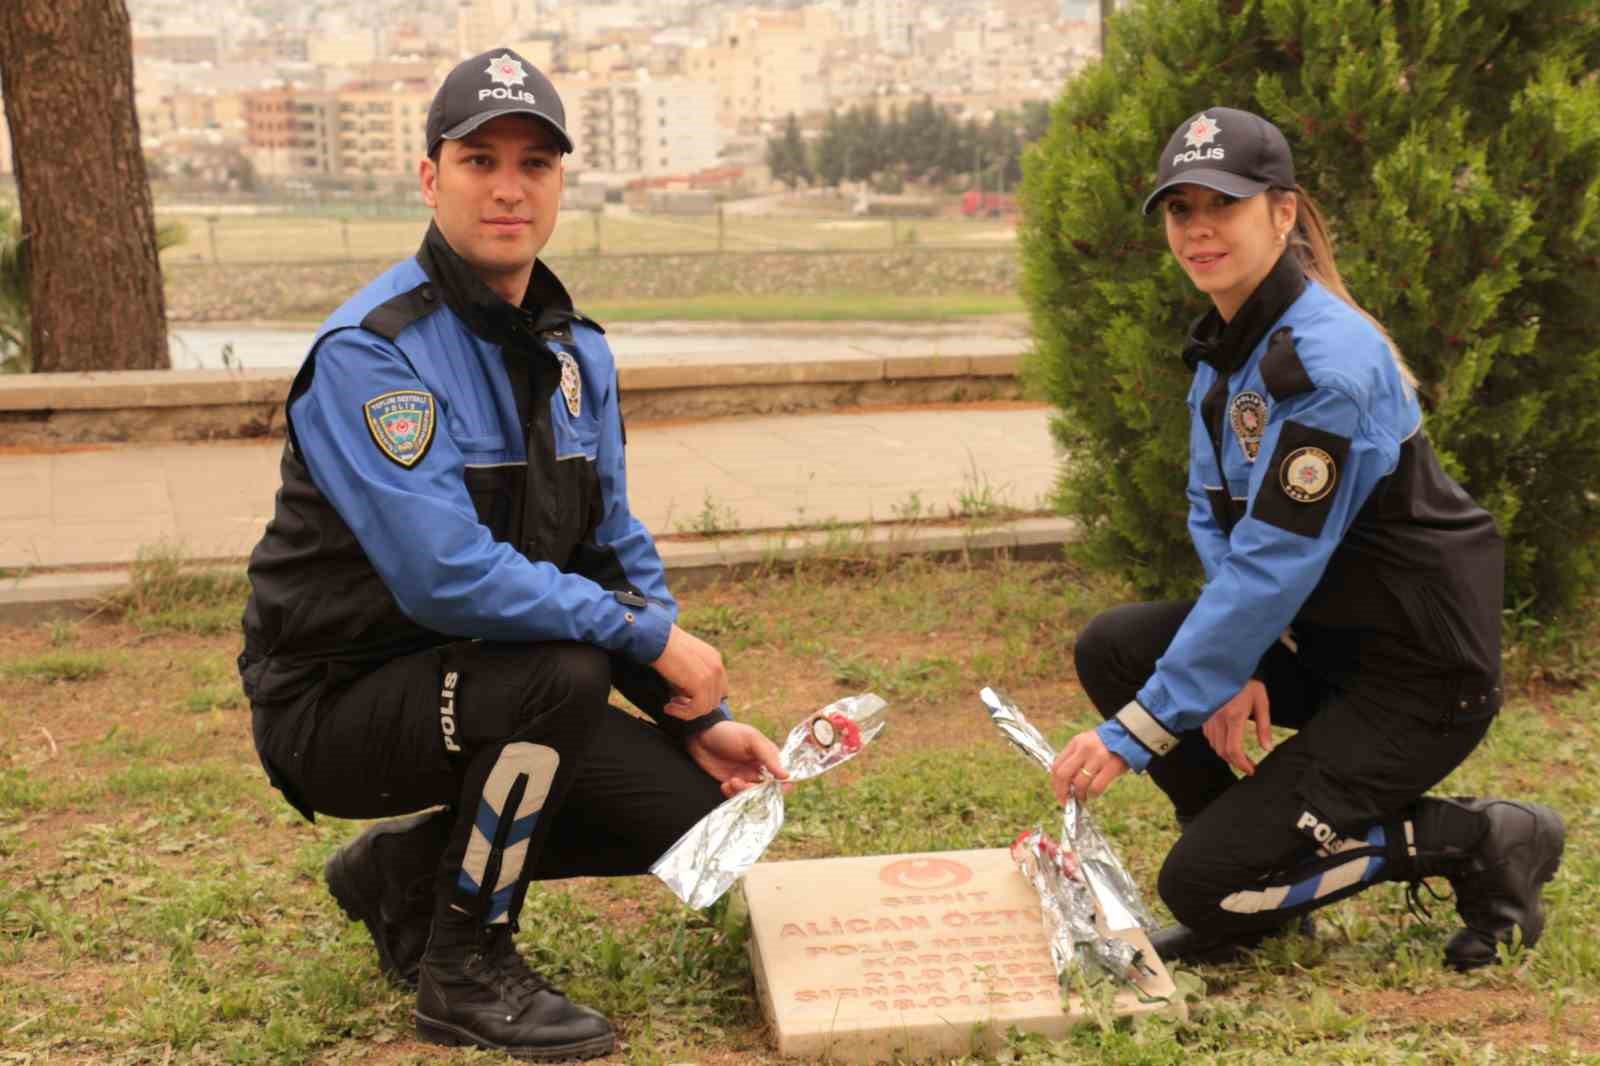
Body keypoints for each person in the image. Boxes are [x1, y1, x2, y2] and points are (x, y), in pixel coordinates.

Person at [237, 48, 786, 1061]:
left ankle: (402, 876)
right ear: (428, 176)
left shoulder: (579, 351)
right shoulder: (376, 351)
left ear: (560, 182)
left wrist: (695, 714)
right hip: (333, 701)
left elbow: (611, 538)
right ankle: (467, 970)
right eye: (478, 158)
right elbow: (443, 572)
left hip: (481, 678)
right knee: (559, 670)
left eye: (534, 163)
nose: (506, 187)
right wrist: (650, 638)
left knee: (691, 811)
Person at [1046, 107, 1565, 970]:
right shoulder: (1232, 344)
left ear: (1282, 214)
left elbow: (1271, 561)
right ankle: (1261, 871)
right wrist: (1236, 665)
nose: (1199, 228)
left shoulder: (1325, 363)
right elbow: (1215, 513)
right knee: (1117, 647)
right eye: (1180, 209)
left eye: (1225, 204)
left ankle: (1483, 838)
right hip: (1328, 644)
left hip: (1420, 681)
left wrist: (1134, 734)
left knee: (1198, 886)